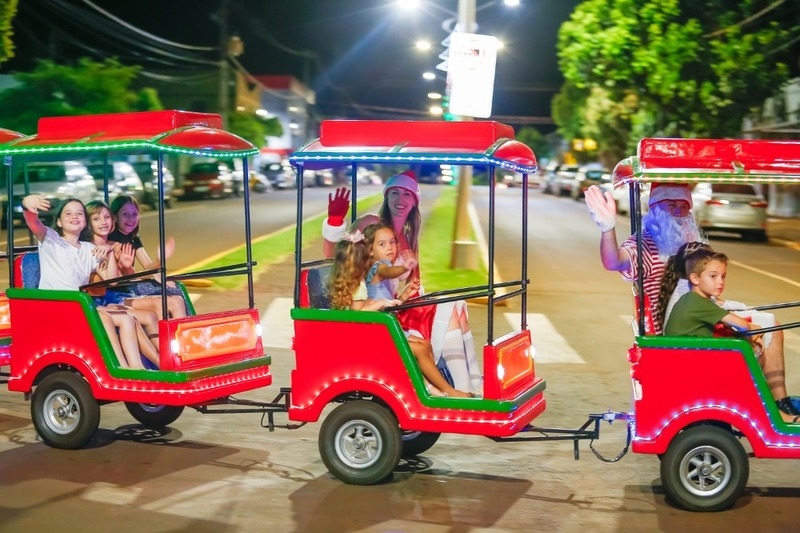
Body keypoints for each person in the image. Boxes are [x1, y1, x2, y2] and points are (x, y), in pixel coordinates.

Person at [323, 171, 482, 395]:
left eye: (407, 194)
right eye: (395, 192)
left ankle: (472, 384)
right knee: (449, 310)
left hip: (394, 306)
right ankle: (460, 389)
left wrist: (408, 292)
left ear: (414, 201)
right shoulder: (372, 224)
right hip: (377, 310)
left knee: (455, 306)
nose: (400, 199)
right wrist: (335, 223)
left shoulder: (407, 238)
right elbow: (337, 258)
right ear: (386, 196)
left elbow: (409, 282)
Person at [328, 225, 473, 398]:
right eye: (365, 259)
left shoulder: (355, 284)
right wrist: (403, 270)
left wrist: (400, 297)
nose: (368, 263)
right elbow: (359, 313)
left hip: (380, 329)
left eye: (392, 242)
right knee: (419, 350)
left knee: (425, 345)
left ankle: (432, 386)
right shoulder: (363, 281)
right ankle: (445, 390)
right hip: (374, 336)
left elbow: (371, 305)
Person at [20, 194, 158, 370]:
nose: (74, 216)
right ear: (59, 222)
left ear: (85, 222)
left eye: (79, 213)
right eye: (68, 213)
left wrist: (109, 251)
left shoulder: (89, 249)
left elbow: (111, 281)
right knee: (104, 318)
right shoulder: (51, 239)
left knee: (127, 318)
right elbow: (33, 222)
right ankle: (120, 369)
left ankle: (138, 369)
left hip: (78, 306)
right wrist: (27, 205)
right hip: (55, 307)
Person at [664, 248, 799, 423]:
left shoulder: (693, 300)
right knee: (746, 360)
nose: (720, 282)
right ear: (695, 278)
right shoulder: (697, 302)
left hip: (691, 360)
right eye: (713, 277)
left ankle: (776, 410)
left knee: (747, 350)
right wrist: (752, 329)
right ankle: (779, 416)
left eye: (723, 276)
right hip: (693, 367)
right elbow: (741, 324)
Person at [584, 182, 704, 334]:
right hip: (664, 335)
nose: (679, 211)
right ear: (655, 208)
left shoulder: (693, 244)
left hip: (695, 328)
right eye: (672, 205)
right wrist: (607, 229)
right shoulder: (645, 243)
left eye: (684, 206)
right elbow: (614, 262)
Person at [83, 200, 163, 355]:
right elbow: (112, 282)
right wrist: (111, 253)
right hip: (100, 300)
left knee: (151, 314)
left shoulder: (114, 245)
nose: (103, 222)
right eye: (96, 219)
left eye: (107, 217)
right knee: (136, 317)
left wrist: (126, 266)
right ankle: (162, 361)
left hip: (111, 296)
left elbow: (122, 278)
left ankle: (166, 358)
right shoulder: (92, 249)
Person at [107, 194, 186, 319]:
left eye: (134, 214)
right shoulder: (111, 241)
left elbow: (149, 267)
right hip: (118, 292)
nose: (131, 219)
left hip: (130, 286)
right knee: (169, 300)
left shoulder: (133, 238)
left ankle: (184, 327)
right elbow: (127, 275)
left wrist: (159, 259)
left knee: (176, 290)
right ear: (115, 218)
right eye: (125, 214)